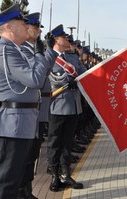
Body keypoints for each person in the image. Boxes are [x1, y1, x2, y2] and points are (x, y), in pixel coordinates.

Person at [0, 4, 54, 199]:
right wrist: (38, 53)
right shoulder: (4, 50)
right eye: (22, 22)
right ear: (9, 27)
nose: (26, 26)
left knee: (15, 179)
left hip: (21, 123)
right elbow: (35, 79)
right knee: (5, 182)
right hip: (11, 124)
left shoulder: (15, 50)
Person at [19, 12, 57, 199]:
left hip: (36, 109)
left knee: (32, 154)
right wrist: (43, 51)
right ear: (26, 27)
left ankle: (27, 191)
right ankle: (21, 191)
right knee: (23, 158)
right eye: (36, 27)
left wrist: (46, 50)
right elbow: (39, 75)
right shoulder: (23, 50)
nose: (39, 30)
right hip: (25, 112)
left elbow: (45, 69)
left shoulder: (32, 49)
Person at [47, 24, 83, 192]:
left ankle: (66, 174)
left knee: (68, 143)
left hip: (73, 106)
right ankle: (54, 175)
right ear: (56, 40)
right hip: (58, 105)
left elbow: (83, 73)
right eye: (63, 37)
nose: (67, 39)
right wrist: (64, 82)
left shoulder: (73, 58)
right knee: (55, 143)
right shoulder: (49, 57)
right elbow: (48, 79)